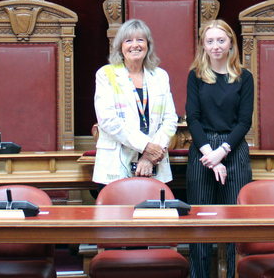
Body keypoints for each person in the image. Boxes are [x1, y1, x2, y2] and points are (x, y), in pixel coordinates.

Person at [186, 19, 254, 278]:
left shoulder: (244, 77)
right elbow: (192, 117)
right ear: (203, 45)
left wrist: (221, 153)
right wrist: (209, 154)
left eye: (221, 40)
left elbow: (244, 121)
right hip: (202, 151)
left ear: (231, 44)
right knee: (200, 223)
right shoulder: (195, 76)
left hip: (233, 149)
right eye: (210, 41)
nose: (216, 46)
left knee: (236, 223)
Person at [93, 18, 177, 188]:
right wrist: (145, 146)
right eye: (128, 40)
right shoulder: (106, 74)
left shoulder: (160, 76)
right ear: (120, 47)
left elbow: (170, 120)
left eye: (140, 40)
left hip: (154, 164)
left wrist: (149, 156)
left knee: (152, 214)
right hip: (117, 163)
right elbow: (108, 120)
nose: (135, 45)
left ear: (148, 45)